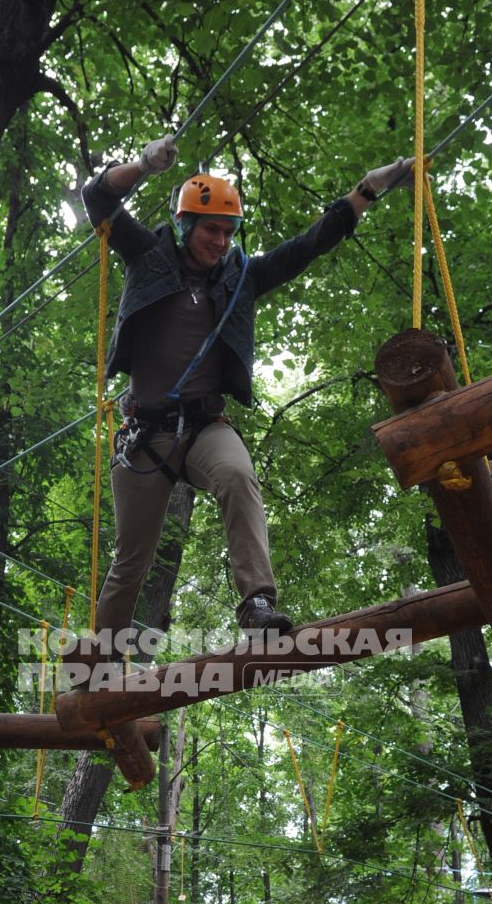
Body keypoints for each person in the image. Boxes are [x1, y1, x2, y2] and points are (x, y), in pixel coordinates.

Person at [78, 137, 412, 659]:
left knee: (237, 475)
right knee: (131, 561)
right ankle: (101, 657)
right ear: (187, 225)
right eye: (212, 228)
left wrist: (369, 187)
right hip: (148, 434)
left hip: (206, 427)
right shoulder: (147, 256)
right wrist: (143, 164)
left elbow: (309, 244)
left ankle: (257, 602)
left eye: (229, 231)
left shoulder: (242, 279)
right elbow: (97, 200)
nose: (221, 240)